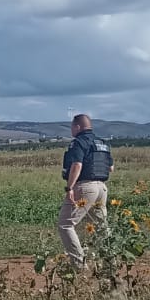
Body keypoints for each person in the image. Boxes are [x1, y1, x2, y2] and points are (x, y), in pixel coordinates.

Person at [60, 113, 113, 267]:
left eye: (72, 127)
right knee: (101, 226)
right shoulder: (102, 143)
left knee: (66, 224)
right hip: (102, 188)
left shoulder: (79, 142)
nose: (71, 130)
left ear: (77, 126)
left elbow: (77, 165)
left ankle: (79, 263)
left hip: (85, 186)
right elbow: (110, 167)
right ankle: (110, 261)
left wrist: (70, 187)